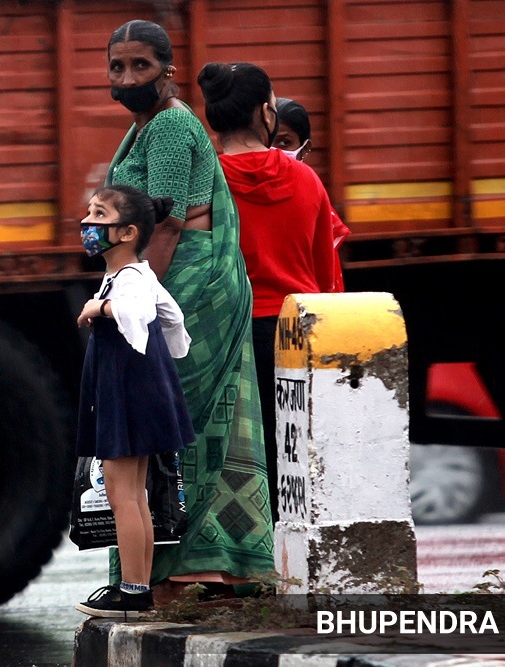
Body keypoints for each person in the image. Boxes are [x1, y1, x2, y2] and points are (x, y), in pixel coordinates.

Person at [101, 19, 274, 602]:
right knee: (174, 424)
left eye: (140, 66)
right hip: (168, 276)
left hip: (189, 283)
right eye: (118, 67)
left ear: (167, 69)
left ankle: (198, 565)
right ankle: (181, 566)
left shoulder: (172, 126)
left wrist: (137, 294)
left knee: (177, 421)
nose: (127, 78)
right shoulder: (143, 127)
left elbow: (167, 221)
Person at [198, 63, 339, 521]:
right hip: (298, 333)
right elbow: (327, 275)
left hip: (230, 338)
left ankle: (244, 565)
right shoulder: (307, 180)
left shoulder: (207, 186)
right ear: (265, 114)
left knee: (238, 460)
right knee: (295, 456)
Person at [73, 185, 195, 618]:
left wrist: (96, 308)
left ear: (126, 232)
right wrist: (170, 350)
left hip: (127, 389)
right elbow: (173, 319)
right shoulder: (137, 274)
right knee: (134, 495)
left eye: (99, 215)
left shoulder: (128, 280)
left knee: (122, 494)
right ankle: (136, 587)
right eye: (89, 213)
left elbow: (136, 313)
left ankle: (133, 590)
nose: (88, 224)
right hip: (138, 386)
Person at [274, 97, 350, 291]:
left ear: (305, 148)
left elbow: (326, 269)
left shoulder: (311, 189)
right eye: (267, 143)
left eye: (284, 142)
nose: (274, 152)